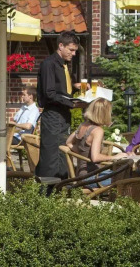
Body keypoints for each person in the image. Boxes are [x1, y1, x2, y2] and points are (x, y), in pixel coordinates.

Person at [37, 31, 86, 178]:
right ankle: (47, 190)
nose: (74, 54)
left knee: (63, 153)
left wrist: (75, 87)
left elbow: (61, 91)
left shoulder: (63, 65)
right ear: (60, 46)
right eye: (71, 50)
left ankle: (61, 187)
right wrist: (72, 104)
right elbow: (49, 94)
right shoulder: (49, 64)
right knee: (52, 156)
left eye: (75, 51)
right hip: (53, 115)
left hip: (63, 115)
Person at [66, 98, 128, 184]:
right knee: (126, 178)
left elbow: (68, 143)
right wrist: (114, 157)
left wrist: (83, 153)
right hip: (91, 177)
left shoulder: (83, 125)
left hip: (80, 174)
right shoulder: (97, 131)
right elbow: (95, 158)